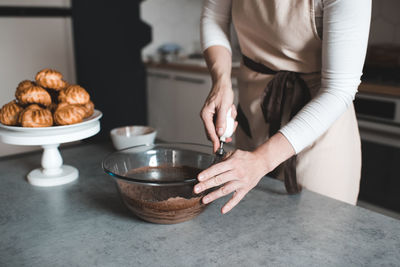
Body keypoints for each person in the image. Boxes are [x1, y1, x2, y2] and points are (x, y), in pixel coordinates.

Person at [194, 0, 372, 214]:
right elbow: (214, 16)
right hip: (253, 116)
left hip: (318, 131)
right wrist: (221, 82)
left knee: (317, 232)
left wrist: (262, 160)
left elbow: (338, 90)